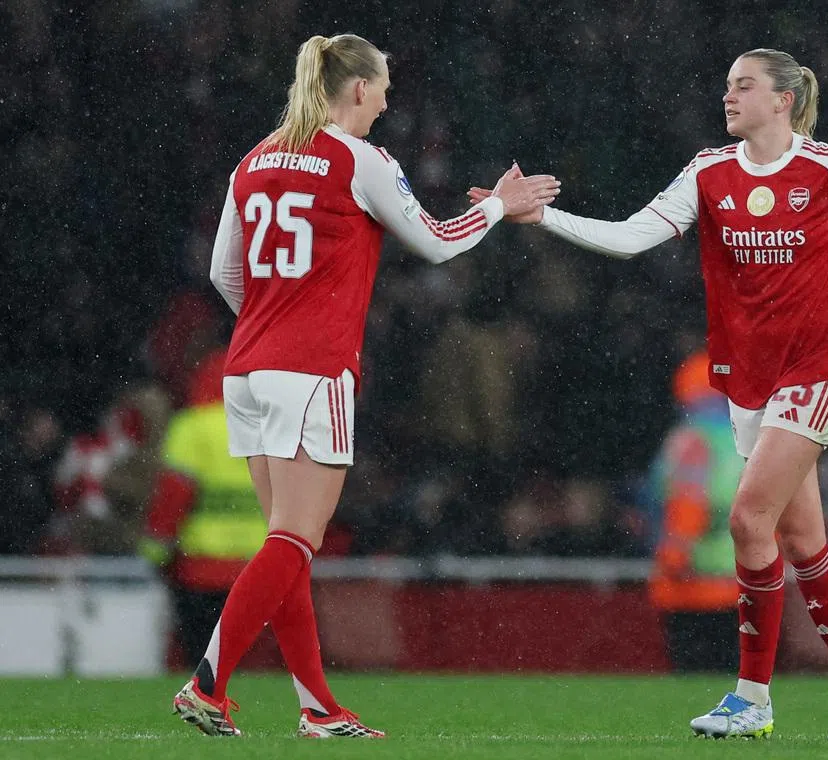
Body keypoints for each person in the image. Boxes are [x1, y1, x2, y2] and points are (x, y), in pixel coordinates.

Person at [470, 48, 828, 741]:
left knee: (748, 520)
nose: (729, 96)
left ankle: (752, 698)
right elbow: (632, 237)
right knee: (802, 539)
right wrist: (541, 219)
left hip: (822, 366)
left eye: (744, 86)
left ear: (783, 100)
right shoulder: (709, 173)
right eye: (727, 86)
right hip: (751, 376)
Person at [172, 33, 560, 739]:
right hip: (312, 369)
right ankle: (207, 682)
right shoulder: (360, 159)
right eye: (381, 86)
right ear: (357, 88)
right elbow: (437, 241)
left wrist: (272, 317)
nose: (386, 100)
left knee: (285, 546)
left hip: (247, 367)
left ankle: (318, 708)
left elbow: (224, 274)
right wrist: (500, 206)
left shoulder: (254, 158)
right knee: (296, 540)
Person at [139, 349, 266, 667]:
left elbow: (173, 497)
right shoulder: (270, 427)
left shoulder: (192, 427)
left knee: (201, 660)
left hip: (200, 570)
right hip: (258, 569)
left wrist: (155, 553)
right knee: (246, 665)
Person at [645, 351, 743, 673]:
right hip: (741, 585)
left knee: (693, 682)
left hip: (691, 585)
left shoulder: (691, 441)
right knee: (735, 679)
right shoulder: (749, 442)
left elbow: (687, 505)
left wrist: (674, 559)